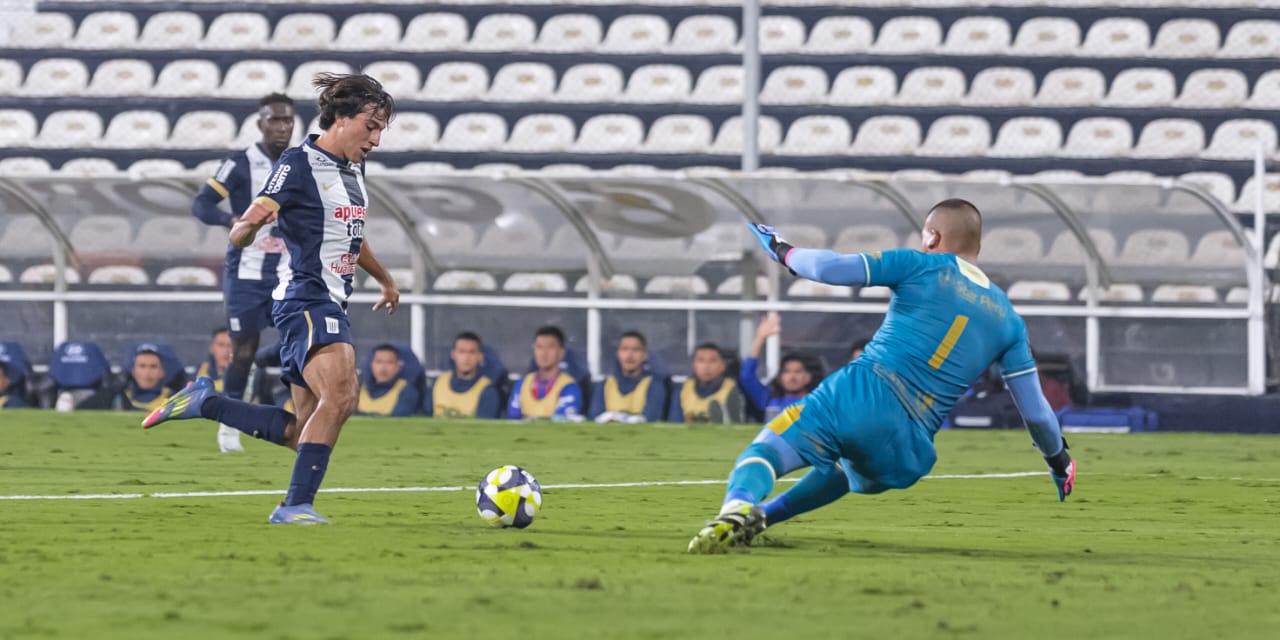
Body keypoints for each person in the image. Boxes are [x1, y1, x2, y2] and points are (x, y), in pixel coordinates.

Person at [688, 201, 1077, 553]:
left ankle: (737, 506)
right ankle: (763, 519)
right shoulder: (1010, 321)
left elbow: (827, 269)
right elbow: (1038, 414)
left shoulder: (921, 265)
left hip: (864, 392)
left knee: (766, 452)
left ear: (932, 236)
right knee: (845, 468)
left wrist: (780, 248)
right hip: (910, 445)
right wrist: (1059, 462)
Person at [144, 73, 398, 525]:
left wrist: (385, 280)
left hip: (329, 302)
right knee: (342, 397)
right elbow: (255, 214)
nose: (376, 139)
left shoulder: (354, 167)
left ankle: (205, 403)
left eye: (381, 130)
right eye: (371, 126)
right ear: (341, 118)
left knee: (303, 433)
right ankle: (294, 506)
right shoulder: (299, 163)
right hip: (307, 299)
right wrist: (246, 227)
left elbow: (351, 236)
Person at [192, 93, 297, 453]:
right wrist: (231, 220)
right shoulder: (239, 164)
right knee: (242, 351)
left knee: (299, 342)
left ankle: (290, 404)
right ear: (260, 123)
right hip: (246, 272)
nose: (282, 127)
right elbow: (202, 203)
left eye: (288, 120)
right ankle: (229, 424)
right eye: (275, 120)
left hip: (289, 270)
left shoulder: (301, 162)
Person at [740, 313, 823, 423]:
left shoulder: (818, 403)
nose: (792, 377)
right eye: (786, 372)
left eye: (798, 372)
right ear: (779, 377)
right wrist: (760, 338)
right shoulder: (768, 398)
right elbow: (747, 376)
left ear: (808, 377)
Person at [507, 326, 583, 420]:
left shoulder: (569, 387)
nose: (544, 353)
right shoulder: (522, 384)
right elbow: (513, 417)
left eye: (550, 347)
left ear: (561, 353)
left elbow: (561, 419)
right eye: (539, 347)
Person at [589, 331, 667, 423]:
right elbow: (595, 417)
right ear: (618, 353)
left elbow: (651, 417)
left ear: (644, 355)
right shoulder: (604, 385)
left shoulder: (654, 385)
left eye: (636, 350)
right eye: (624, 349)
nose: (629, 355)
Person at [429, 332, 501, 419]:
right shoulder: (438, 383)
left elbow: (485, 425)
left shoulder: (488, 391)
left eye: (471, 352)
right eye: (462, 352)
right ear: (453, 354)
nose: (466, 358)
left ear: (479, 356)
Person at [668, 342, 745, 424]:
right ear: (694, 365)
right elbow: (674, 424)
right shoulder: (683, 390)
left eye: (712, 361)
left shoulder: (733, 389)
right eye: (701, 360)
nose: (706, 366)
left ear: (723, 366)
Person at [81, 346, 174, 412]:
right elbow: (80, 410)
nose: (147, 372)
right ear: (133, 371)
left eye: (153, 367)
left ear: (162, 372)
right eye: (142, 366)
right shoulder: (118, 397)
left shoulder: (172, 399)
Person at [356, 345, 421, 417]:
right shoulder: (359, 388)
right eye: (379, 362)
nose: (383, 367)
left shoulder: (407, 390)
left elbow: (400, 416)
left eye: (390, 362)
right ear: (371, 365)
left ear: (398, 366)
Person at [195, 327, 234, 393]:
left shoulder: (246, 381)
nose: (226, 351)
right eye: (221, 345)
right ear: (212, 348)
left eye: (230, 345)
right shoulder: (195, 375)